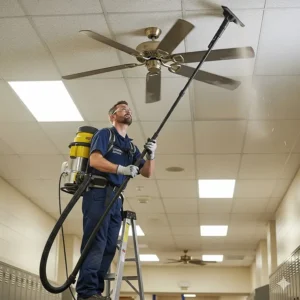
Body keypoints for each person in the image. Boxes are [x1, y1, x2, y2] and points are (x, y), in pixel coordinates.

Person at [76, 100, 156, 300]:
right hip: (99, 193)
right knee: (96, 242)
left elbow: (147, 172)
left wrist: (152, 154)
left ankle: (96, 291)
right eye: (122, 109)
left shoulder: (130, 146)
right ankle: (86, 292)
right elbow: (95, 160)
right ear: (112, 116)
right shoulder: (105, 134)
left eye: (129, 109)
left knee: (109, 247)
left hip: (116, 199)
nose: (127, 111)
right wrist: (120, 169)